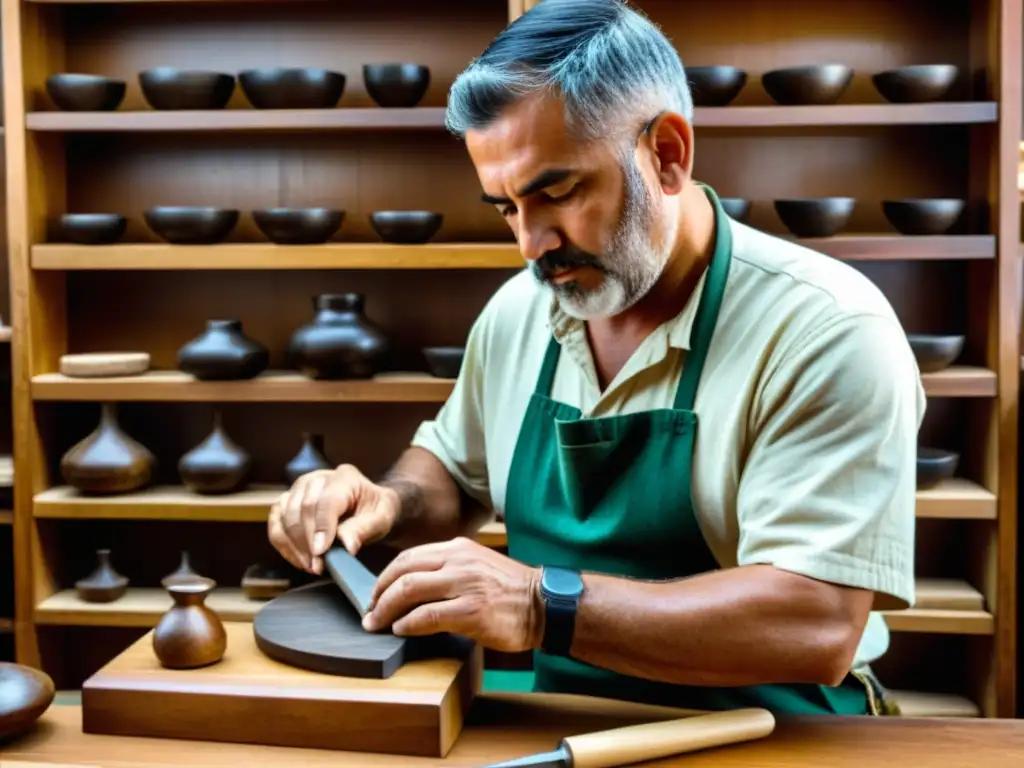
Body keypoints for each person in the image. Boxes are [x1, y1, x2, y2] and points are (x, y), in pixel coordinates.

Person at [268, 0, 924, 716]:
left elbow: (815, 622)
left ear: (667, 154)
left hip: (778, 729)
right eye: (506, 208)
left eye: (557, 192)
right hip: (574, 718)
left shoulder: (824, 328)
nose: (531, 244)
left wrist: (536, 604)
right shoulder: (522, 310)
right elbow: (455, 476)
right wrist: (385, 505)